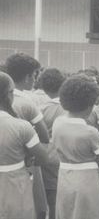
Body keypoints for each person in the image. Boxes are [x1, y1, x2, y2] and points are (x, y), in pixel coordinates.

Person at [52, 74, 99, 219]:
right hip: (86, 181)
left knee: (67, 211)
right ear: (89, 106)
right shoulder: (90, 132)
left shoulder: (58, 123)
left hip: (64, 177)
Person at [5, 53, 50, 219]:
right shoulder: (28, 101)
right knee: (32, 206)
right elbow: (44, 137)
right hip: (24, 163)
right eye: (34, 75)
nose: (35, 79)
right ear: (27, 77)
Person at [38, 68, 66, 219]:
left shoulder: (41, 108)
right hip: (65, 151)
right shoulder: (69, 107)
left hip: (47, 152)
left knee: (50, 196)